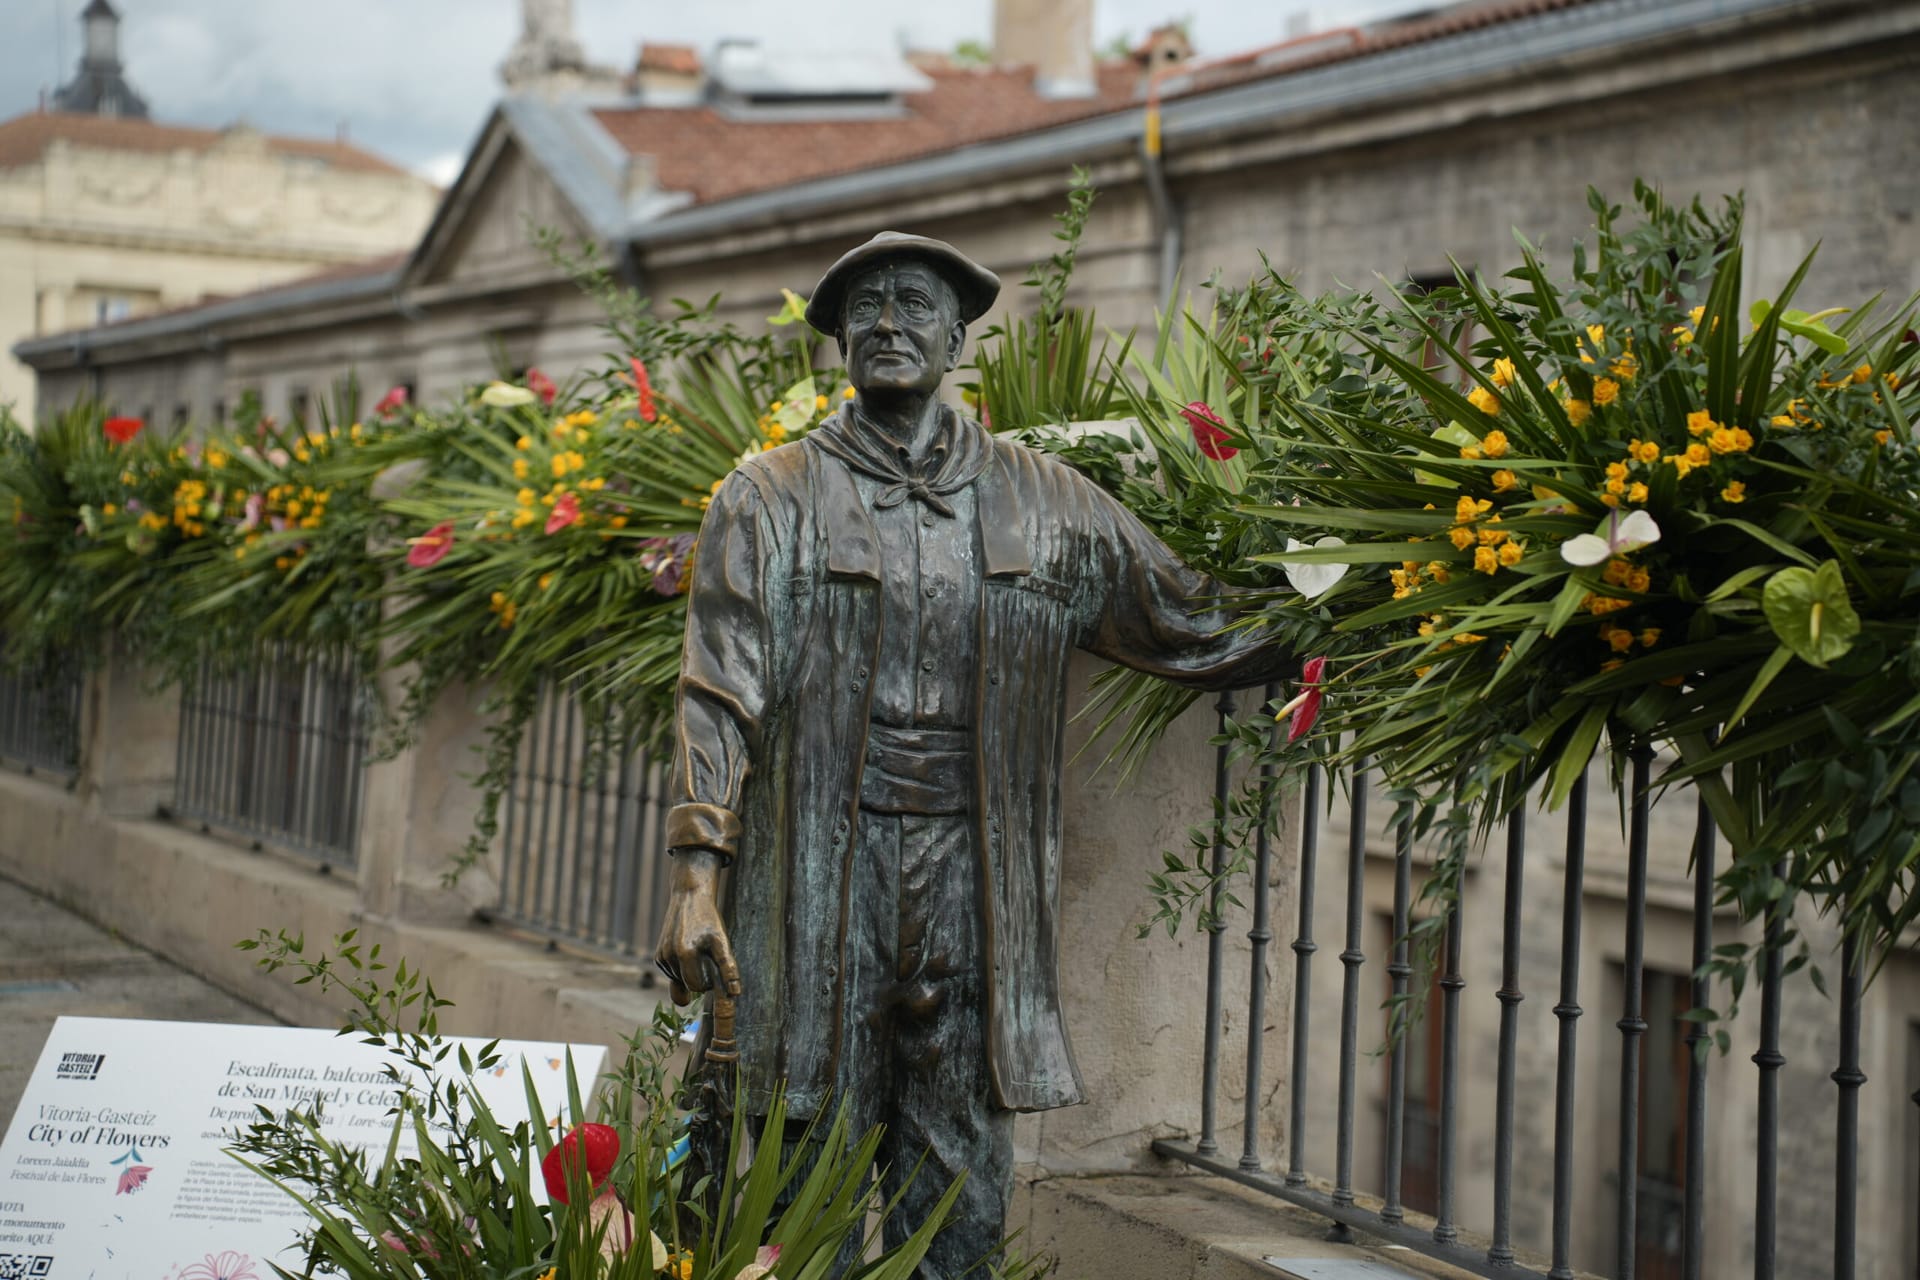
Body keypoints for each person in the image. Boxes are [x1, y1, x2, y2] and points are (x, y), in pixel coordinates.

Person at [655, 231, 1292, 1277]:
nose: (887, 323)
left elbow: (1190, 621)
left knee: (956, 1175)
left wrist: (1383, 597)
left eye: (914, 303)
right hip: (819, 879)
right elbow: (719, 693)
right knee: (795, 1158)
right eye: (864, 306)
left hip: (976, 884)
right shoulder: (767, 497)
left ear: (957, 338)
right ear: (840, 340)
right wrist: (695, 878)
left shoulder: (1048, 502)